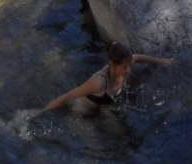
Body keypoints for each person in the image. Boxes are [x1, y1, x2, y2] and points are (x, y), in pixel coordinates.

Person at [42, 42, 172, 113]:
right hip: (84, 109)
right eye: (125, 67)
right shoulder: (98, 82)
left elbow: (139, 58)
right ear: (112, 65)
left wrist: (162, 61)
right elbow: (68, 96)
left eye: (129, 65)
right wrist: (41, 112)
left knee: (122, 137)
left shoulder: (126, 62)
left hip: (105, 106)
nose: (129, 70)